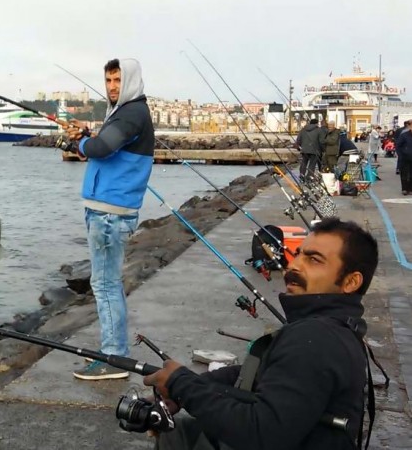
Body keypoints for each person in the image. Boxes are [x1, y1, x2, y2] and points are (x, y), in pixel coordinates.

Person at [143, 218, 378, 450]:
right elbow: (264, 373)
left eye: (314, 260)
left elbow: (261, 433)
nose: (294, 266)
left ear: (350, 282)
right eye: (298, 254)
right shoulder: (336, 328)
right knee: (183, 431)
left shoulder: (316, 339)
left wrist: (181, 383)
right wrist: (186, 387)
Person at [57, 58, 154, 380]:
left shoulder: (132, 113)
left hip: (110, 213)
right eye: (108, 80)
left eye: (117, 80)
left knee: (106, 285)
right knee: (106, 283)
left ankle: (114, 358)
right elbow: (107, 141)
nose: (112, 86)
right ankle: (114, 353)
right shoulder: (126, 112)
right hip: (107, 209)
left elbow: (102, 148)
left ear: (130, 81)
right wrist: (87, 133)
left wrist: (79, 142)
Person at [397, 121, 412, 195]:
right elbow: (398, 146)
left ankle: (410, 189)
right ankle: (404, 189)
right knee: (404, 174)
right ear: (410, 126)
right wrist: (400, 155)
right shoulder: (404, 135)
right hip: (405, 157)